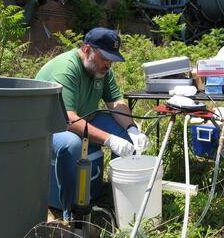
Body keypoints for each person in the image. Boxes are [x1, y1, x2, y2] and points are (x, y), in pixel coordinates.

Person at [36, 27, 149, 221]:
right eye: (105, 58)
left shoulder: (101, 69)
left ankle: (122, 198)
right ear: (87, 49)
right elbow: (68, 119)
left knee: (126, 136)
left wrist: (132, 128)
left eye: (112, 60)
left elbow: (115, 102)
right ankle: (69, 212)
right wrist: (108, 139)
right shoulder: (67, 68)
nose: (108, 65)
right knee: (72, 145)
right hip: (49, 126)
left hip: (84, 118)